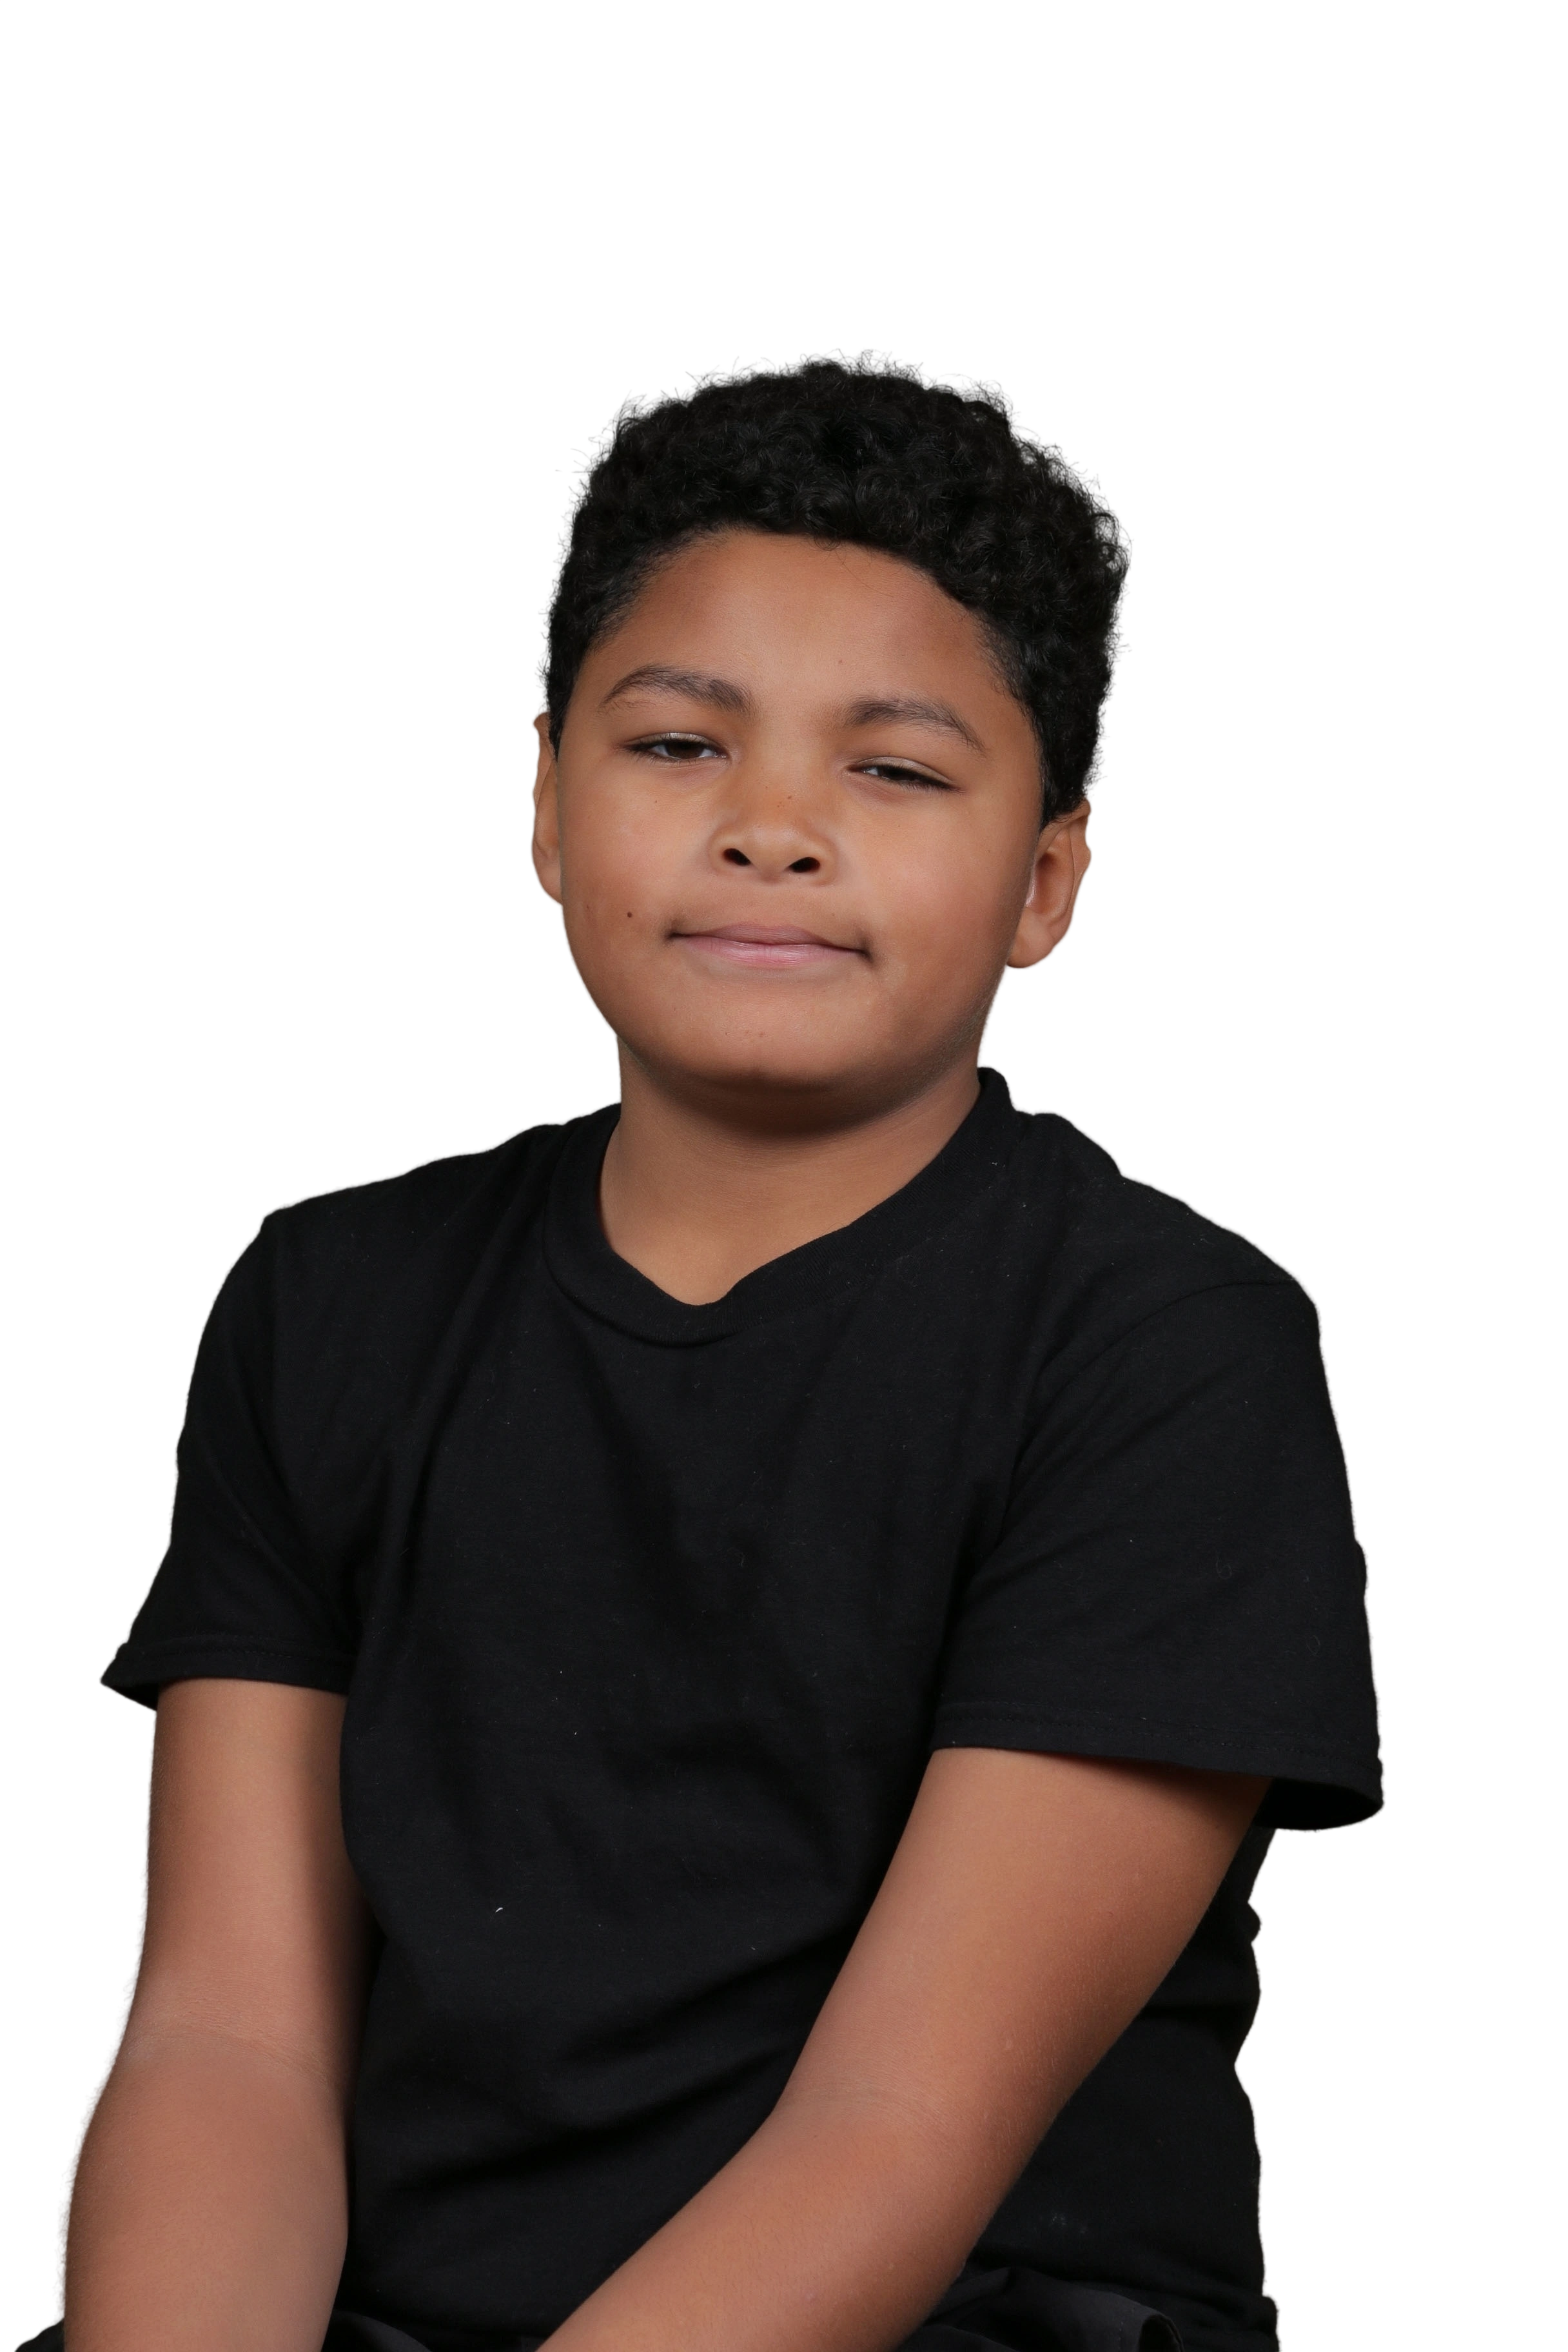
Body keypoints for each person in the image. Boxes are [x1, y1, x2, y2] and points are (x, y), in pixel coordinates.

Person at [34, 348, 1384, 2352]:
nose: (772, 829)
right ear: (546, 804)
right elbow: (226, 2041)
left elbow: (899, 2128)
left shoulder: (1168, 1349)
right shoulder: (326, 1297)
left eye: (895, 770)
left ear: (1046, 880)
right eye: (678, 744)